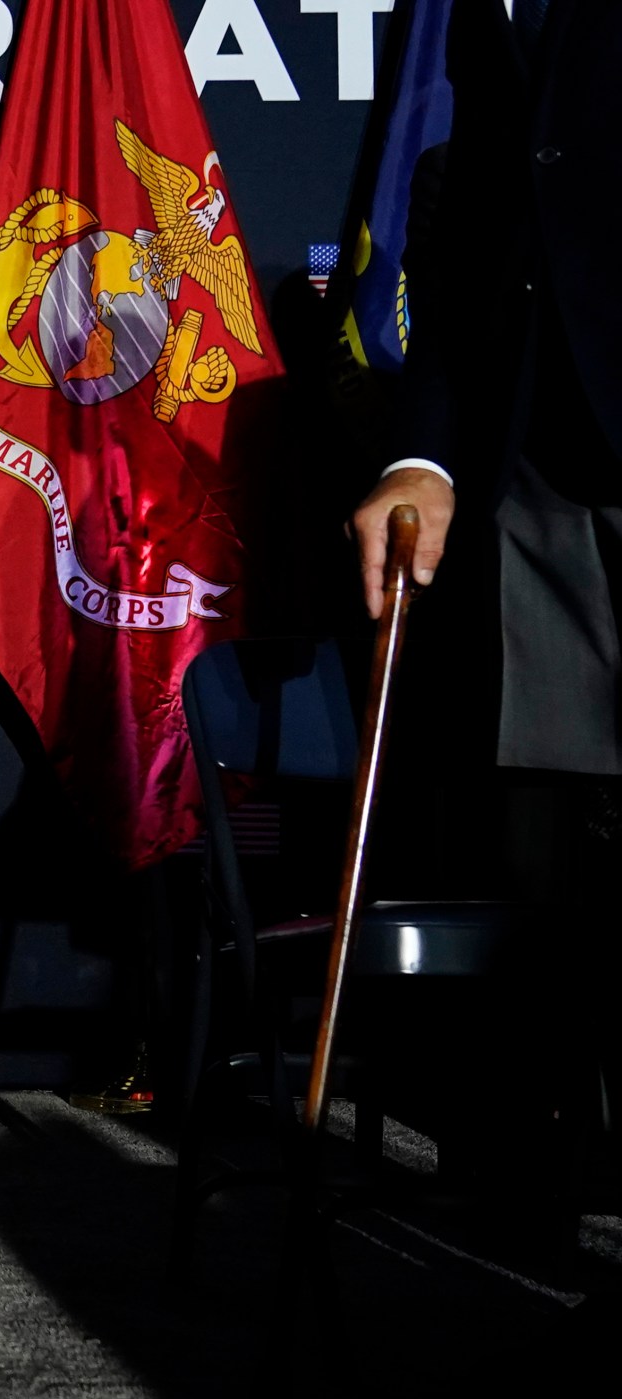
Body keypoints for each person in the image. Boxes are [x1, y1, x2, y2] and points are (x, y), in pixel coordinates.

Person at [348, 0, 616, 1172]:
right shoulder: (453, 9)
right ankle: (530, 1156)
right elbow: (462, 248)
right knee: (536, 842)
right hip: (527, 474)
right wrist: (422, 454)